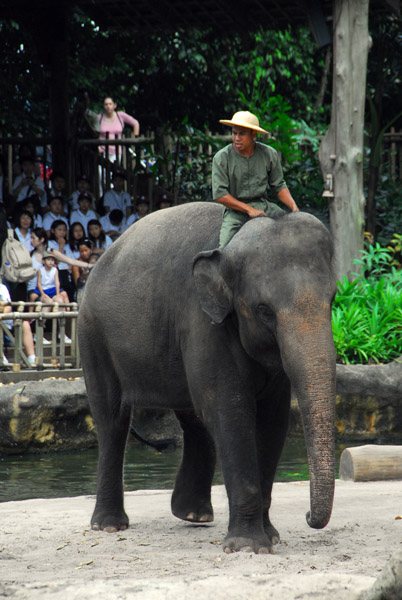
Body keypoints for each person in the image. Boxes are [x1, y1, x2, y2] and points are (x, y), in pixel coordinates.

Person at [212, 111, 299, 249]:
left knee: (291, 231)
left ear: (254, 134)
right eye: (234, 133)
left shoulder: (269, 154)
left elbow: (279, 185)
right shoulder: (221, 157)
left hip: (264, 206)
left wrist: (294, 207)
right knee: (225, 250)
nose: (236, 138)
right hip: (235, 211)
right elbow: (220, 194)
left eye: (242, 134)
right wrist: (249, 210)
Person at [0, 282, 36, 367]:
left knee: (24, 324)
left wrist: (1, 316)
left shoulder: (2, 287)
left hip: (5, 318)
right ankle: (2, 358)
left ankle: (31, 358)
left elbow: (8, 306)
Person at [97, 96, 140, 162]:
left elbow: (135, 123)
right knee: (101, 172)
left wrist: (135, 137)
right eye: (106, 104)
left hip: (116, 151)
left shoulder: (120, 115)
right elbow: (92, 131)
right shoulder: (99, 117)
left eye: (110, 104)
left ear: (115, 105)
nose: (108, 106)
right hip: (102, 151)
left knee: (113, 170)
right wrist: (97, 147)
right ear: (103, 106)